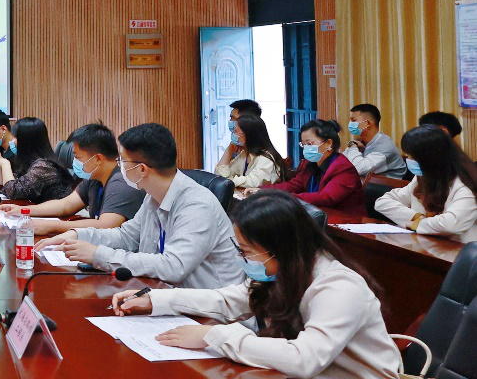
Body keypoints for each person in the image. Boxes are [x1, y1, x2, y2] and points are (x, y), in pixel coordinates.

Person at [110, 191, 401, 379]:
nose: (243, 259)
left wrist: (214, 335)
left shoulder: (338, 286)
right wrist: (157, 300)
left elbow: (305, 358)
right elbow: (228, 300)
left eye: (247, 251)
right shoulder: (286, 270)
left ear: (281, 246)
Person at [36, 123, 244, 289]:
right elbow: (126, 237)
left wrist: (97, 255)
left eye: (123, 162)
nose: (119, 167)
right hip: (167, 297)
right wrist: (77, 235)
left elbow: (173, 267)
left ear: (142, 169)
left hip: (211, 314)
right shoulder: (153, 196)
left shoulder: (197, 205)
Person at [0, 123, 145, 235]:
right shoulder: (95, 177)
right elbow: (64, 205)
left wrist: (51, 226)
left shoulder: (121, 182)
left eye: (78, 157)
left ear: (98, 159)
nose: (75, 162)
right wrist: (23, 210)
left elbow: (106, 225)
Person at [374, 125, 477, 242]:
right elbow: (383, 202)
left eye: (413, 157)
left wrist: (417, 224)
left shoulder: (465, 183)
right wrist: (416, 217)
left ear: (432, 158)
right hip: (427, 243)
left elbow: (451, 224)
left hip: (459, 248)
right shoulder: (423, 178)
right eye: (408, 155)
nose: (408, 160)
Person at [262, 119, 365, 215]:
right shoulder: (310, 164)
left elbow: (326, 198)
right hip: (316, 214)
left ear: (328, 144)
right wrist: (262, 191)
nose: (306, 148)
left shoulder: (344, 168)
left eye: (310, 143)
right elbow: (293, 186)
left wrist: (284, 197)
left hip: (346, 220)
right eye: (303, 144)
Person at [0, 117, 71, 204]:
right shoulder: (28, 162)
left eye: (15, 137)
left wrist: (5, 164)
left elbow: (13, 192)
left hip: (51, 212)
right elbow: (4, 186)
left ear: (26, 141)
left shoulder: (44, 166)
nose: (12, 141)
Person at [215, 115, 288, 188]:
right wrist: (229, 151)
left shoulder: (267, 158)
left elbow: (252, 182)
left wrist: (228, 181)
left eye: (236, 131)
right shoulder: (245, 154)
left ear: (248, 135)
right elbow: (219, 175)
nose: (233, 134)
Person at [342, 103, 405, 179]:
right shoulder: (360, 141)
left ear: (367, 123)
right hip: (367, 182)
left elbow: (358, 169)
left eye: (353, 120)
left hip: (386, 185)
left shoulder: (384, 146)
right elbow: (340, 162)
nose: (350, 124)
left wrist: (352, 146)